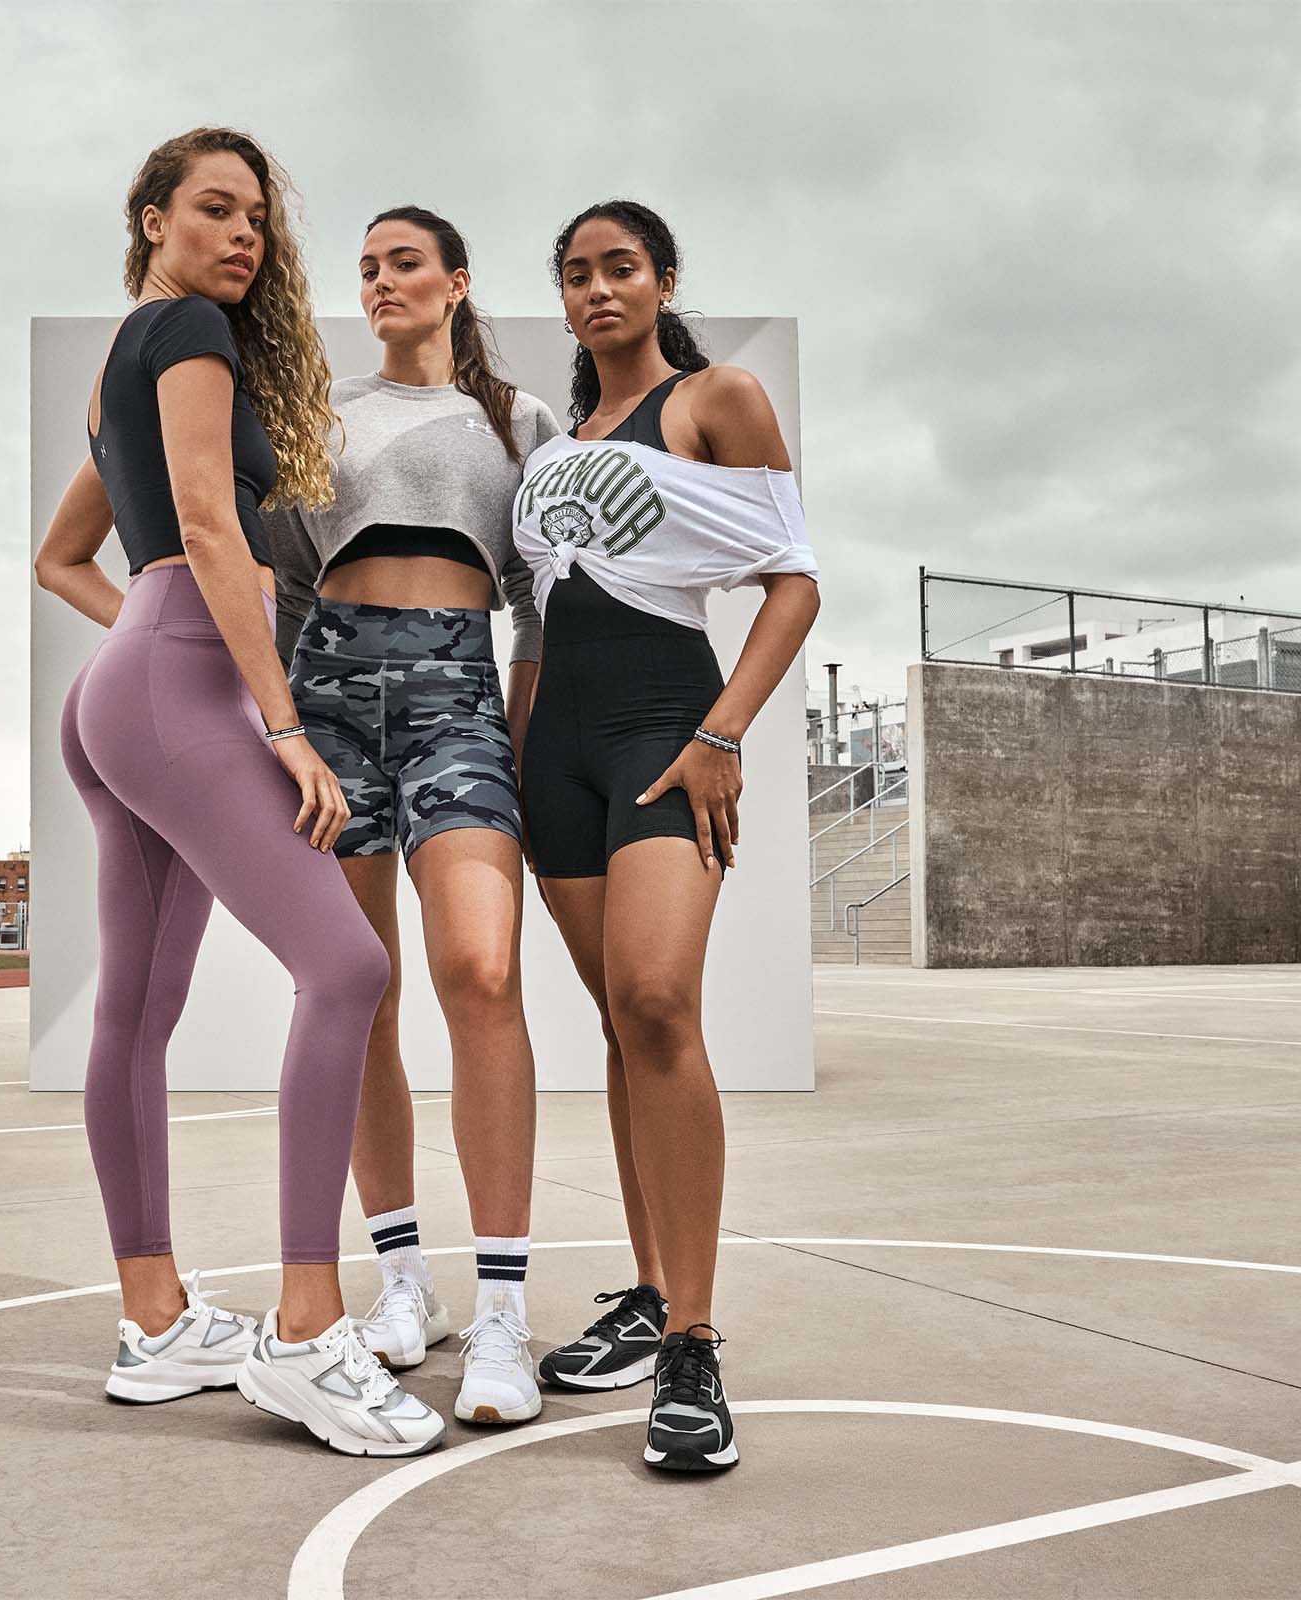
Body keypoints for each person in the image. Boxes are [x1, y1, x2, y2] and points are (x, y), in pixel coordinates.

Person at [34, 127, 442, 1458]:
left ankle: (156, 1326)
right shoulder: (192, 338)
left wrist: (141, 651)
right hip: (184, 683)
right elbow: (209, 529)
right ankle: (308, 1333)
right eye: (214, 209)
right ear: (151, 217)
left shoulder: (122, 360)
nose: (243, 235)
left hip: (129, 686)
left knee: (138, 1016)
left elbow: (65, 557)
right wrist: (278, 721)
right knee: (347, 969)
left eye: (256, 217)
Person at [514, 199, 822, 1473]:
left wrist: (723, 733)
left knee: (656, 1005)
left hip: (660, 728)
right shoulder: (544, 443)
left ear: (662, 280)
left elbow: (794, 578)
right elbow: (533, 619)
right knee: (614, 1025)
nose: (597, 291)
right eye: (578, 275)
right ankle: (645, 1293)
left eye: (620, 269)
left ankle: (690, 1340)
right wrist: (515, 753)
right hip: (553, 753)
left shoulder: (714, 399)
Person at [262, 206, 561, 1426]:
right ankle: (403, 1285)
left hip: (459, 696)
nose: (381, 281)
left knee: (482, 971)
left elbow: (540, 604)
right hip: (328, 694)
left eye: (404, 263)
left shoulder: (522, 421)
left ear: (456, 283)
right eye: (368, 267)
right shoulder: (320, 416)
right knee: (358, 988)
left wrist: (523, 750)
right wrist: (283, 734)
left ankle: (502, 1314)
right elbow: (281, 582)